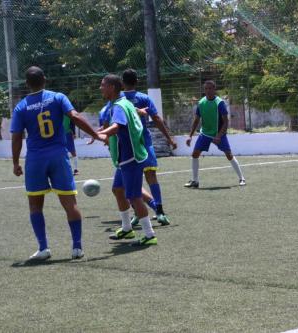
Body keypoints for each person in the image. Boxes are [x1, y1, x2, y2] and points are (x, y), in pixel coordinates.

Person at [10, 66, 103, 261]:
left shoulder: (21, 106)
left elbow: (17, 137)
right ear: (45, 79)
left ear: (27, 84)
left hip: (35, 160)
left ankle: (43, 248)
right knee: (70, 203)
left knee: (35, 206)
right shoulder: (58, 97)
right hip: (59, 156)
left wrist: (15, 162)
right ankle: (77, 247)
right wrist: (95, 134)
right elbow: (75, 117)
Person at [97, 74, 157, 246]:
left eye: (103, 85)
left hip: (130, 157)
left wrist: (100, 134)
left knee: (134, 196)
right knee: (117, 189)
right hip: (126, 157)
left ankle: (149, 234)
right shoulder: (123, 103)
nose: (101, 88)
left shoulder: (119, 106)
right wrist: (101, 131)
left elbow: (117, 127)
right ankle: (127, 229)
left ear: (112, 87)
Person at [122, 68, 177, 226]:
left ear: (122, 82)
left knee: (130, 181)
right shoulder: (144, 98)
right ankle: (159, 211)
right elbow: (157, 119)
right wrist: (169, 138)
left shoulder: (118, 100)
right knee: (151, 176)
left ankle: (136, 213)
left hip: (126, 146)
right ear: (137, 81)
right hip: (144, 143)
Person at [184, 80, 245, 188]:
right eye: (206, 89)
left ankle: (242, 178)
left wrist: (219, 135)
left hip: (218, 134)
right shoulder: (201, 102)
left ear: (214, 89)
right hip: (205, 134)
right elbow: (196, 120)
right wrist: (190, 135)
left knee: (229, 155)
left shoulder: (219, 103)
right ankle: (195, 181)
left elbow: (226, 121)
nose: (208, 91)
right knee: (195, 154)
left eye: (210, 88)